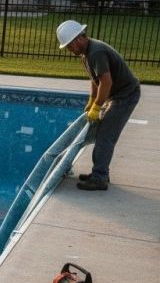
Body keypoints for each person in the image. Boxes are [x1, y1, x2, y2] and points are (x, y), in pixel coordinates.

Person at [56, 20, 141, 191]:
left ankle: (100, 178)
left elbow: (106, 82)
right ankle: (100, 173)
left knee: (105, 136)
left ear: (78, 39)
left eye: (69, 46)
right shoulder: (86, 53)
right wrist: (92, 100)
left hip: (126, 96)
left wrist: (97, 107)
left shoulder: (96, 52)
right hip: (118, 95)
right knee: (103, 134)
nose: (69, 50)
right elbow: (95, 80)